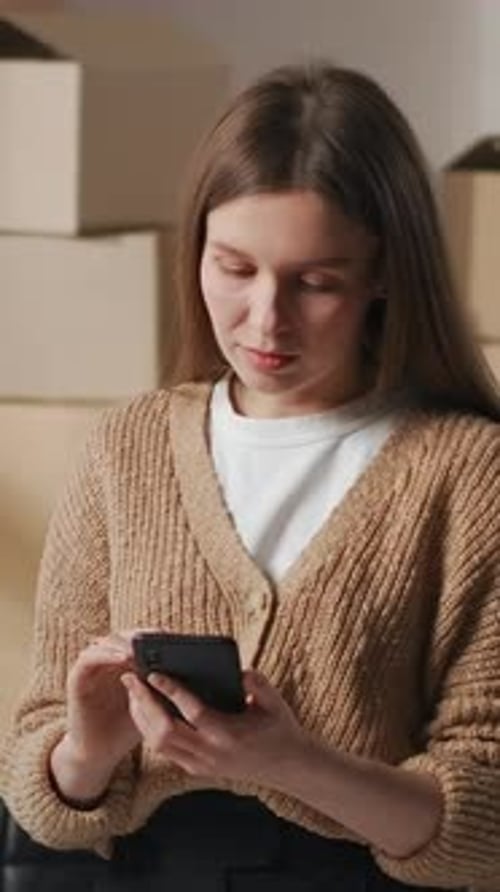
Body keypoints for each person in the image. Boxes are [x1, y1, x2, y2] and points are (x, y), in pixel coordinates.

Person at [1, 62, 499, 892]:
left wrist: (297, 764)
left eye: (316, 282)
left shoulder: (467, 473)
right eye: (234, 268)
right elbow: (43, 796)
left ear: (384, 274)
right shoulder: (128, 448)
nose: (266, 318)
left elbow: (489, 824)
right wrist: (90, 745)